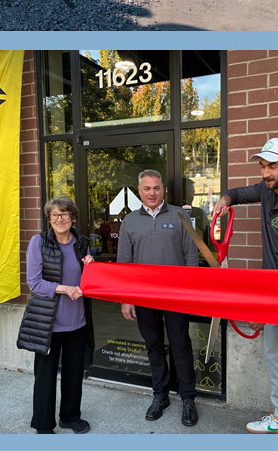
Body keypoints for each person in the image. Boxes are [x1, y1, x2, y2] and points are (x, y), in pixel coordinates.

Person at [212, 137, 278, 434]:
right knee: (273, 357)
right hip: (275, 290)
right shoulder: (268, 188)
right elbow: (240, 193)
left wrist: (263, 312)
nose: (265, 172)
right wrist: (226, 199)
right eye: (262, 166)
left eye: (272, 165)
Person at [116, 170, 199, 426]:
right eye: (147, 188)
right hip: (143, 297)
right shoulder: (129, 221)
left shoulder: (179, 214)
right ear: (139, 191)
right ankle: (160, 395)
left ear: (162, 189)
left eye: (156, 188)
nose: (152, 193)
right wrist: (126, 298)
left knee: (180, 346)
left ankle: (187, 399)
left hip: (175, 296)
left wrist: (189, 292)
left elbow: (191, 256)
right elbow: (124, 264)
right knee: (153, 346)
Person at [15, 195, 93, 434]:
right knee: (45, 376)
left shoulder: (82, 243)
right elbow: (35, 283)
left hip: (77, 321)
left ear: (73, 217)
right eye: (55, 215)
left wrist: (92, 266)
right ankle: (43, 424)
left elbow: (89, 281)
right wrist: (64, 289)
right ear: (49, 218)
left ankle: (70, 416)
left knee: (74, 374)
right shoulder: (39, 242)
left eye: (65, 214)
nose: (60, 219)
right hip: (48, 322)